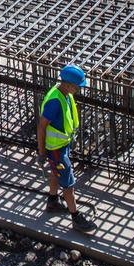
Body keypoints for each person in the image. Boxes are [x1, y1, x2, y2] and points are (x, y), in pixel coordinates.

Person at [38, 65, 96, 233]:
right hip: (55, 150)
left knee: (56, 173)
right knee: (68, 183)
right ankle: (76, 217)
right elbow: (41, 127)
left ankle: (53, 201)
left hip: (61, 146)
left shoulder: (63, 93)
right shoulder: (56, 101)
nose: (79, 89)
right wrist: (42, 153)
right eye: (77, 86)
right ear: (69, 85)